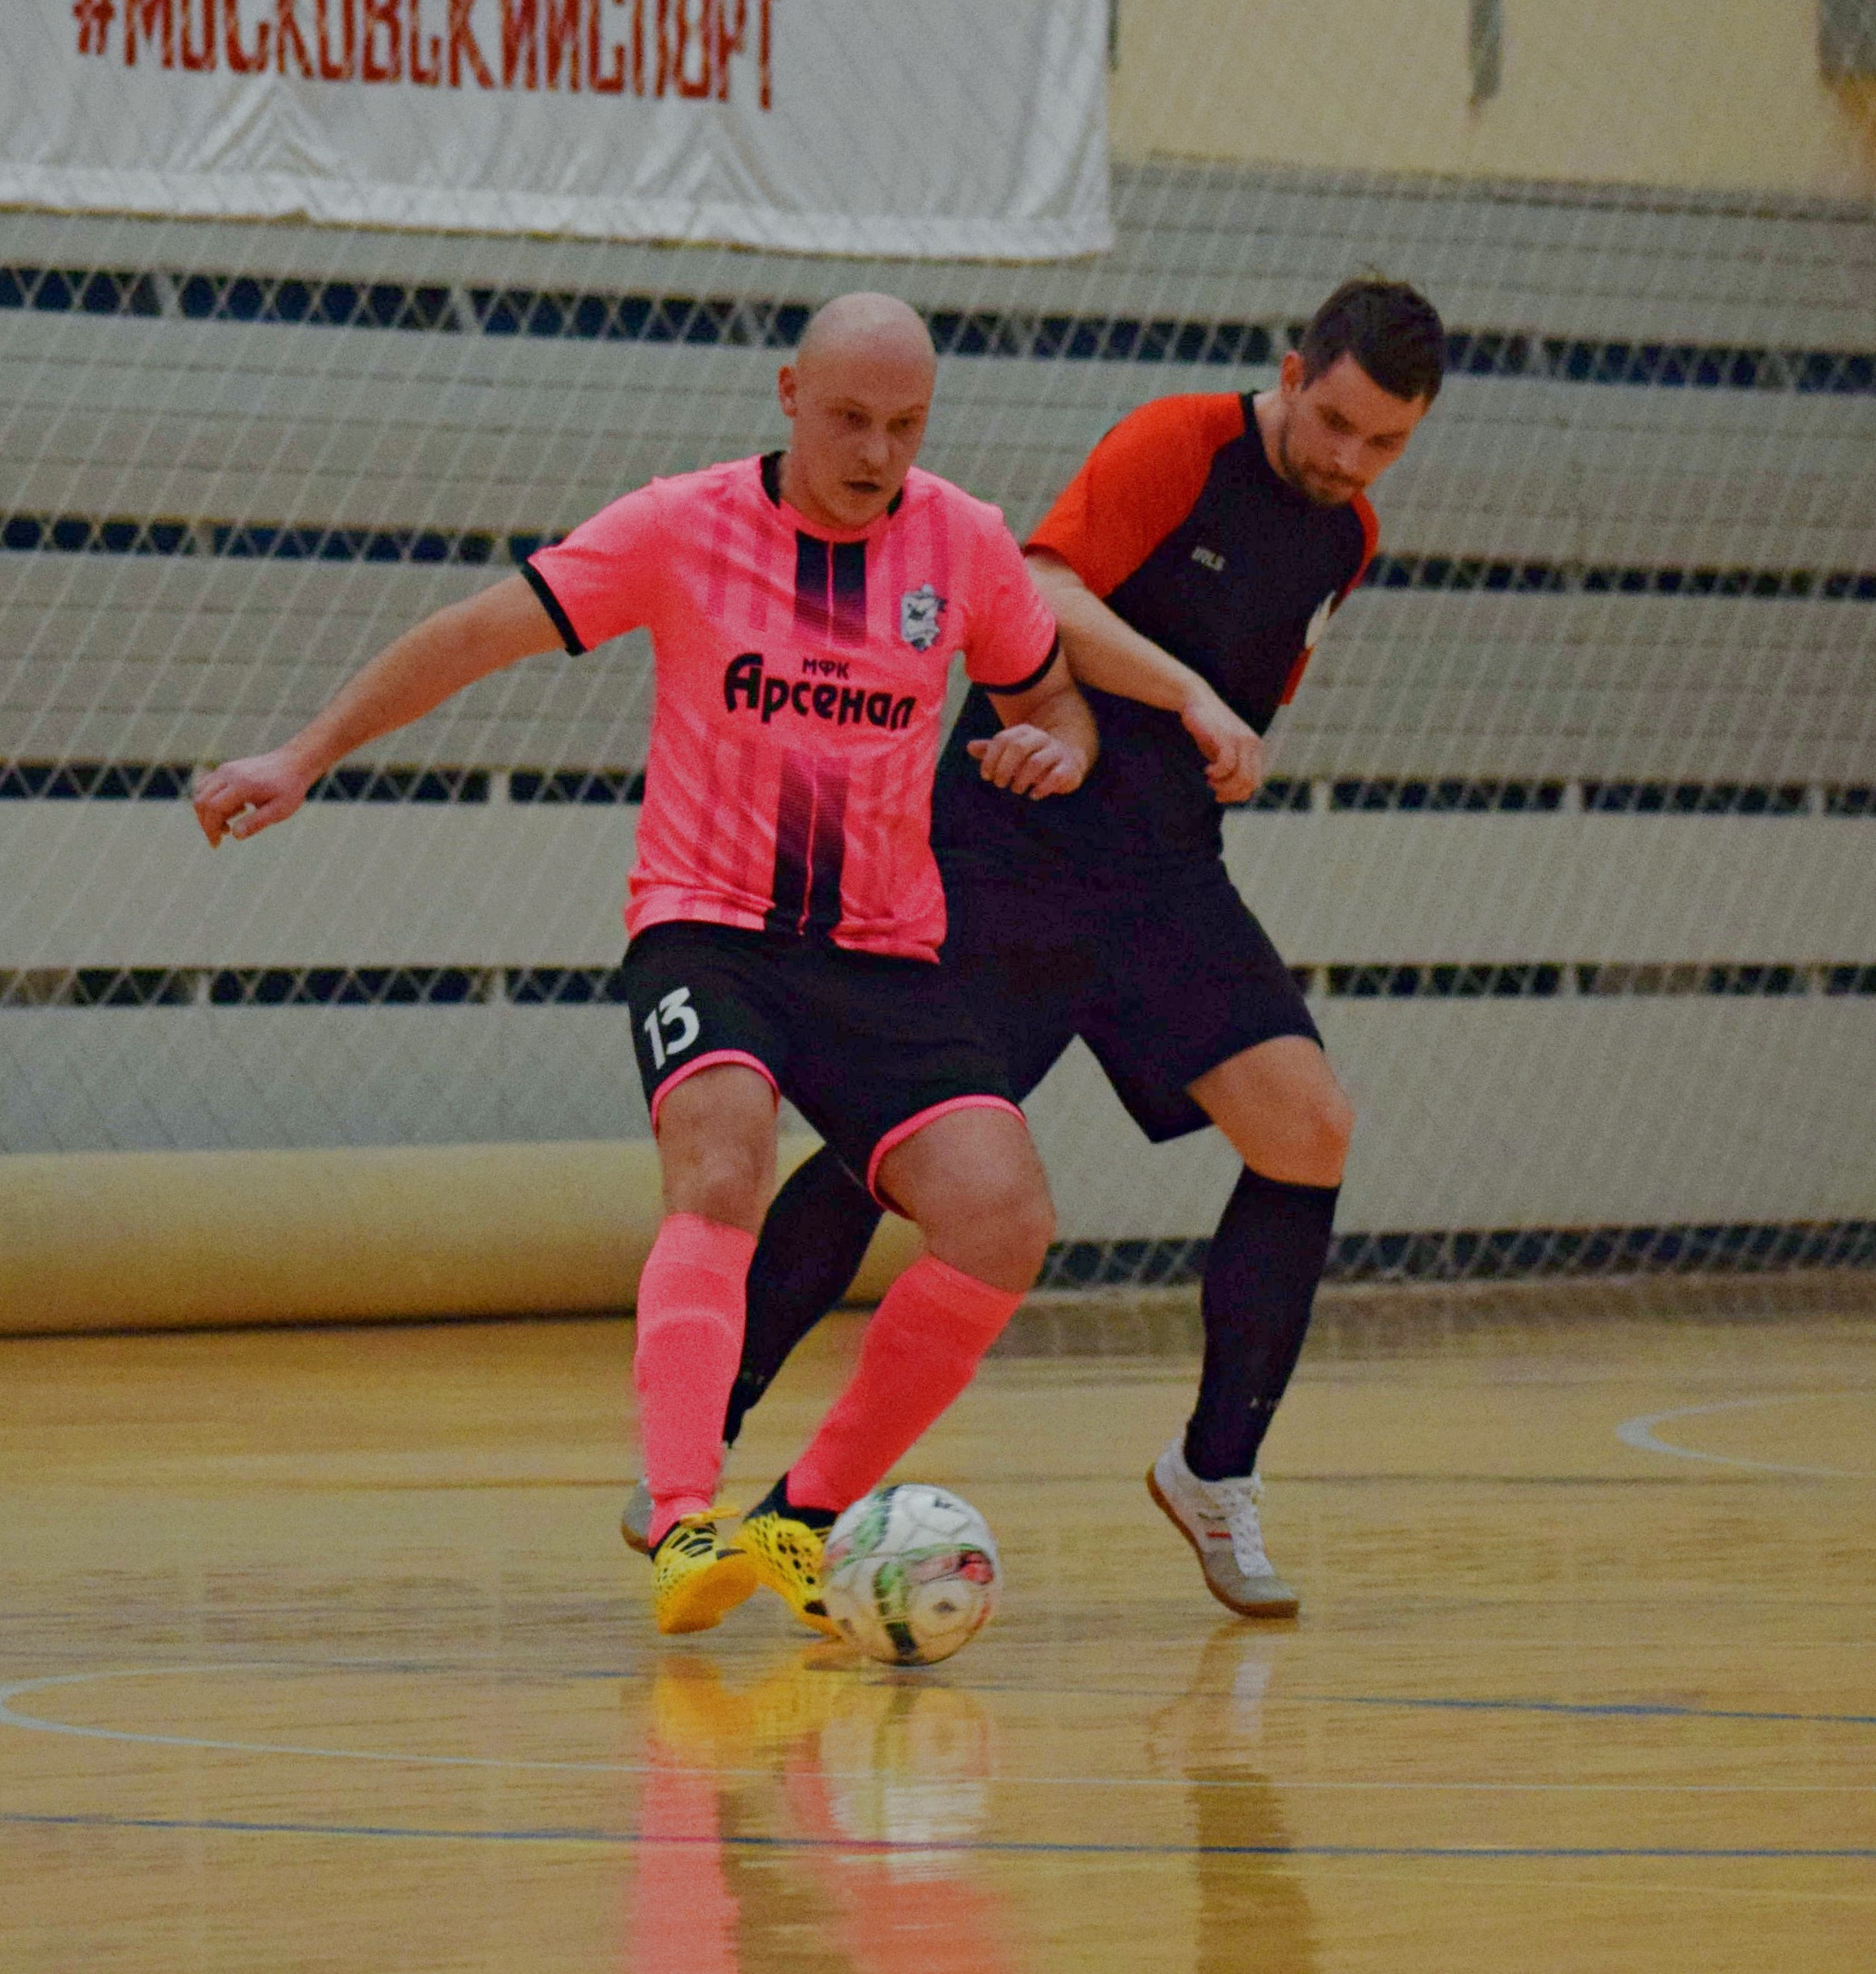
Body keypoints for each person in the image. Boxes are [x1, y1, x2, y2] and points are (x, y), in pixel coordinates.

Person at [193, 293, 1099, 1638]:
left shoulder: (960, 544)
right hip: (709, 925)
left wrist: (1058, 748)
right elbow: (472, 634)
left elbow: (1047, 694)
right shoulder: (681, 524)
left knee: (1003, 1218)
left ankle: (797, 1525)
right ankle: (683, 1524)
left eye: (903, 426)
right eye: (848, 418)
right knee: (722, 1158)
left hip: (880, 957)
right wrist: (301, 756)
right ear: (788, 394)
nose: (873, 453)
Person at [623, 278, 1445, 1619]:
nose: (1349, 460)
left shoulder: (1343, 537)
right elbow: (1043, 597)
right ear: (1294, 370)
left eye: (1385, 444)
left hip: (1163, 880)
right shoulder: (1173, 446)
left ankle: (1211, 1471)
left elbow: (1248, 687)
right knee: (885, 1158)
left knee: (1309, 1130)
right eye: (1337, 422)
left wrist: (1226, 753)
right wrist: (1184, 693)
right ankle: (706, 1440)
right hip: (1007, 852)